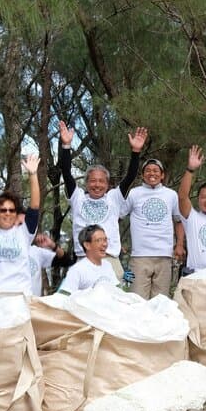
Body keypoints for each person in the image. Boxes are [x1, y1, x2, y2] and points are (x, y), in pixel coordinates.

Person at [58, 121, 146, 279]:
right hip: (83, 259)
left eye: (101, 181)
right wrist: (66, 146)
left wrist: (135, 151)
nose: (97, 185)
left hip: (110, 259)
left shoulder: (113, 197)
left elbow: (130, 176)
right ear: (86, 183)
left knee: (113, 302)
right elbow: (66, 172)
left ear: (107, 184)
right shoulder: (77, 197)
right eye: (92, 181)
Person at [121, 152, 184, 299]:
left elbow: (179, 221)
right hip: (139, 257)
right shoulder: (134, 193)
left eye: (155, 171)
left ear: (162, 175)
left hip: (164, 256)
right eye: (148, 171)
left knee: (160, 302)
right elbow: (117, 216)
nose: (152, 174)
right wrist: (115, 242)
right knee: (135, 300)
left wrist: (179, 244)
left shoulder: (171, 195)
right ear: (142, 175)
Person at [0, 152, 40, 294]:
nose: (7, 213)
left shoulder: (24, 233)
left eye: (12, 210)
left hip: (22, 296)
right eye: (3, 210)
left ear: (16, 213)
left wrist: (33, 175)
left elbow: (35, 207)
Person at [59, 225, 120, 293]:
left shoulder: (108, 265)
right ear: (87, 245)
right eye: (99, 240)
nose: (104, 244)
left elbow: (117, 291)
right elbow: (63, 296)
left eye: (105, 239)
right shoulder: (77, 270)